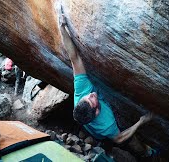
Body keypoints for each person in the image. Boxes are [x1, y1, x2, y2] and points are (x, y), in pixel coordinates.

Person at [60, 15, 157, 159]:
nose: (91, 95)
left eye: (88, 97)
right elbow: (119, 138)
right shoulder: (106, 124)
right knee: (132, 141)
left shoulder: (81, 92)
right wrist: (141, 122)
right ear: (97, 111)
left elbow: (74, 57)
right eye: (92, 99)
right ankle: (147, 154)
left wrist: (61, 27)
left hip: (90, 120)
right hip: (103, 130)